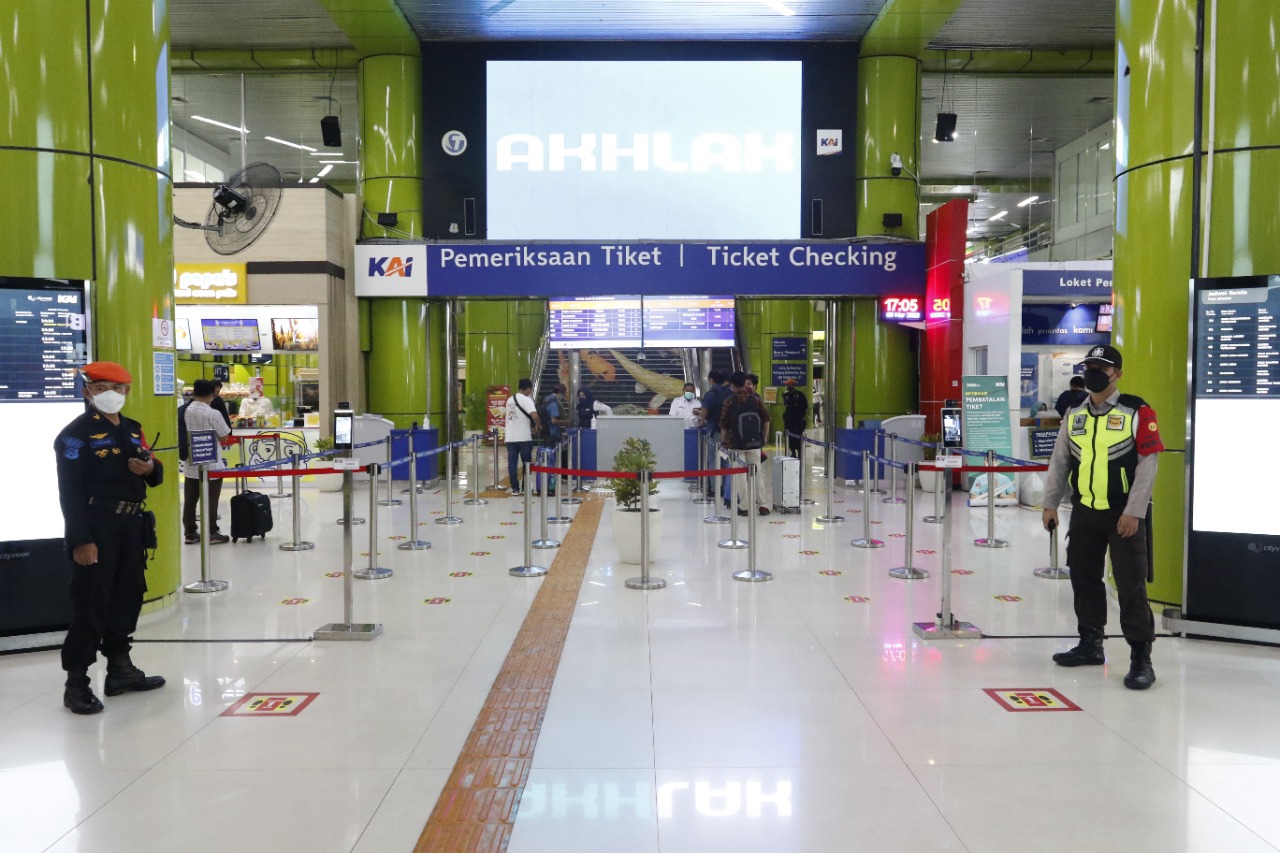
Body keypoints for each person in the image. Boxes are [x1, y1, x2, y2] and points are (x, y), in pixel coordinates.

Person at [1041, 345, 1163, 690]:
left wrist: (1133, 512)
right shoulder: (1075, 414)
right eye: (1090, 366)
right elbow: (1060, 461)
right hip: (1084, 512)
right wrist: (1049, 503)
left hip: (1122, 515)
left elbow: (1148, 465)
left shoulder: (1137, 411)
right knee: (1084, 578)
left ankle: (1141, 657)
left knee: (1130, 585)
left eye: (1102, 367)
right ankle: (1090, 644)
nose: (1094, 372)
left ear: (1117, 374)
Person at [54, 361, 166, 715]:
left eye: (118, 389)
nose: (111, 395)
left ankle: (120, 669)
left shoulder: (133, 429)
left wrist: (150, 469)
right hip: (97, 528)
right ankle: (76, 683)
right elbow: (69, 493)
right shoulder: (74, 435)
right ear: (88, 391)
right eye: (102, 388)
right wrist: (81, 540)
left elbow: (153, 471)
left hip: (131, 527)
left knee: (128, 595)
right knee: (92, 603)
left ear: (127, 392)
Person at [182, 379, 232, 545]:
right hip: (212, 464)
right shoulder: (213, 413)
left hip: (191, 463)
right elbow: (224, 436)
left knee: (190, 500)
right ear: (212, 394)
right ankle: (211, 532)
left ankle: (190, 532)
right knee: (211, 499)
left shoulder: (184, 411)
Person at [719, 370, 771, 516]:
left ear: (732, 385)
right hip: (754, 443)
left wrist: (723, 441)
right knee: (757, 473)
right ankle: (763, 505)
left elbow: (723, 424)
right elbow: (766, 418)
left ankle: (745, 506)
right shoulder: (755, 399)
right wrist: (764, 437)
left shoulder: (729, 401)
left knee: (740, 475)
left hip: (735, 444)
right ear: (744, 383)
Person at [696, 370, 732, 500]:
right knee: (726, 461)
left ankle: (714, 488)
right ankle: (727, 488)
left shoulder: (710, 395)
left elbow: (704, 415)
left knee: (713, 460)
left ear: (711, 380)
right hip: (728, 433)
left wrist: (697, 412)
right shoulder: (729, 393)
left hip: (714, 432)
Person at [504, 378, 541, 495]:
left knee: (512, 464)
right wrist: (539, 425)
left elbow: (514, 418)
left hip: (510, 438)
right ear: (529, 388)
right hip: (524, 438)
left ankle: (515, 488)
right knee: (527, 463)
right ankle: (525, 487)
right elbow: (534, 416)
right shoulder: (527, 400)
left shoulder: (509, 400)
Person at [781, 379, 808, 457]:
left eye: (789, 385)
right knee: (790, 438)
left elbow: (804, 406)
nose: (788, 387)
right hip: (789, 421)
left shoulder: (800, 395)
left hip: (798, 421)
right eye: (787, 385)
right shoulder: (786, 395)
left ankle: (799, 452)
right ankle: (793, 452)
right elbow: (787, 406)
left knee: (798, 437)